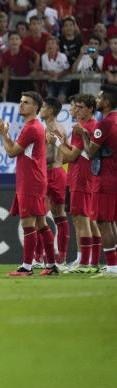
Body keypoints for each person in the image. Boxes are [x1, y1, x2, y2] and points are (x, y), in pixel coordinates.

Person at [0, 91, 58, 276]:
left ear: (35, 107)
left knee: (28, 224)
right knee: (41, 224)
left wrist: (2, 134)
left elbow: (11, 152)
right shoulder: (33, 126)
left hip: (31, 181)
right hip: (34, 179)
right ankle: (51, 265)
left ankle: (27, 267)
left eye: (26, 102)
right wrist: (5, 134)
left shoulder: (31, 128)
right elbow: (18, 150)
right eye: (20, 101)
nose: (21, 105)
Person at [50, 94, 102, 273]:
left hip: (82, 178)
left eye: (80, 107)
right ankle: (91, 262)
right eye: (75, 106)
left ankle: (85, 262)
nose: (76, 110)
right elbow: (72, 156)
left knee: (83, 221)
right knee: (87, 220)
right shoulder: (86, 127)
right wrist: (64, 143)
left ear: (90, 109)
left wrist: (57, 142)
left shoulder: (85, 127)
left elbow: (71, 156)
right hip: (79, 177)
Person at [83, 85, 117, 277]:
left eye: (99, 97)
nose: (97, 100)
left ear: (107, 101)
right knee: (111, 222)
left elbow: (90, 152)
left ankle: (112, 267)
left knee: (103, 222)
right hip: (114, 176)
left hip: (105, 178)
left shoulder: (104, 123)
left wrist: (83, 136)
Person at [39, 97, 69, 269]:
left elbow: (51, 155)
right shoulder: (61, 128)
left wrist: (35, 158)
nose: (41, 110)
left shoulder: (52, 129)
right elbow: (64, 154)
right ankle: (59, 258)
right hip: (57, 172)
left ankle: (46, 257)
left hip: (51, 173)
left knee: (43, 216)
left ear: (50, 110)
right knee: (57, 216)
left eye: (43, 107)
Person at [0, 31, 39, 102]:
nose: (14, 41)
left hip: (27, 80)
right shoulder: (6, 55)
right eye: (12, 39)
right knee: (12, 100)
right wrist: (5, 87)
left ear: (20, 41)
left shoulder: (25, 50)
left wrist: (35, 70)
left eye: (17, 39)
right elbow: (6, 71)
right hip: (14, 80)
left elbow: (37, 56)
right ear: (8, 42)